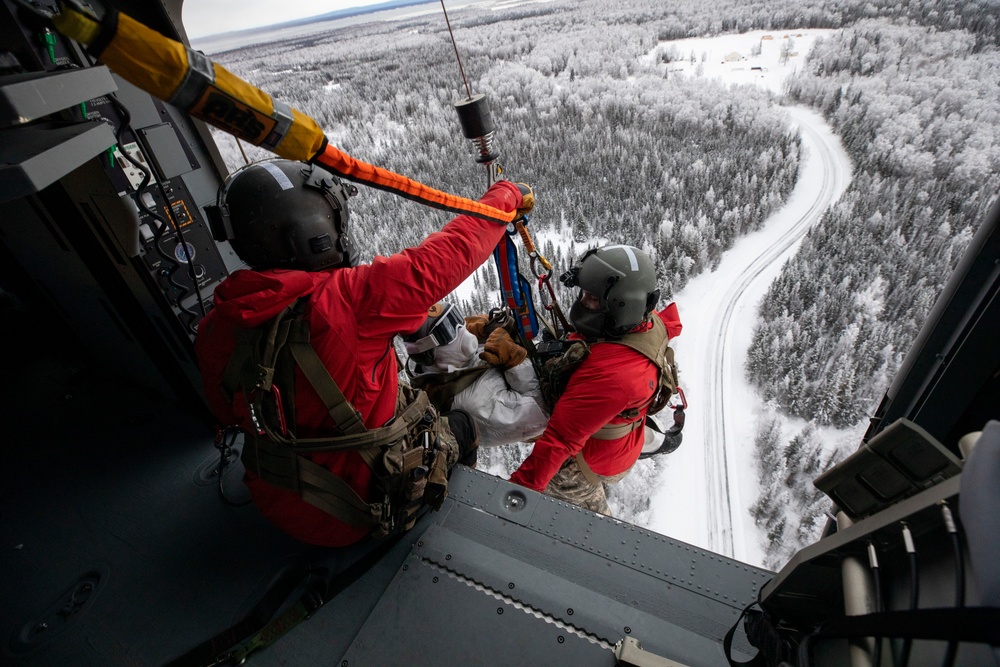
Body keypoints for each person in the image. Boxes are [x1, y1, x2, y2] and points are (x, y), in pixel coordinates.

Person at [195, 158, 530, 546]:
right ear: (315, 235)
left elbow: (226, 413)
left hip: (275, 499)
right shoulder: (349, 302)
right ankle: (440, 529)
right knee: (461, 425)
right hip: (352, 513)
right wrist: (506, 195)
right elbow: (446, 258)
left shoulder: (215, 326)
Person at [508, 244, 682, 515]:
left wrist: (513, 494)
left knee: (579, 500)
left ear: (623, 304)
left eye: (591, 298)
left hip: (595, 463)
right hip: (624, 421)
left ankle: (601, 519)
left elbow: (560, 441)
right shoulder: (650, 322)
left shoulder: (610, 376)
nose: (582, 302)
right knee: (621, 416)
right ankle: (654, 440)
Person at [403, 303, 549, 448]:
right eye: (446, 331)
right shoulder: (475, 405)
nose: (462, 331)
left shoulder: (450, 358)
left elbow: (460, 329)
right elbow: (543, 413)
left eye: (455, 317)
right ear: (428, 352)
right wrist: (516, 362)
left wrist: (484, 329)